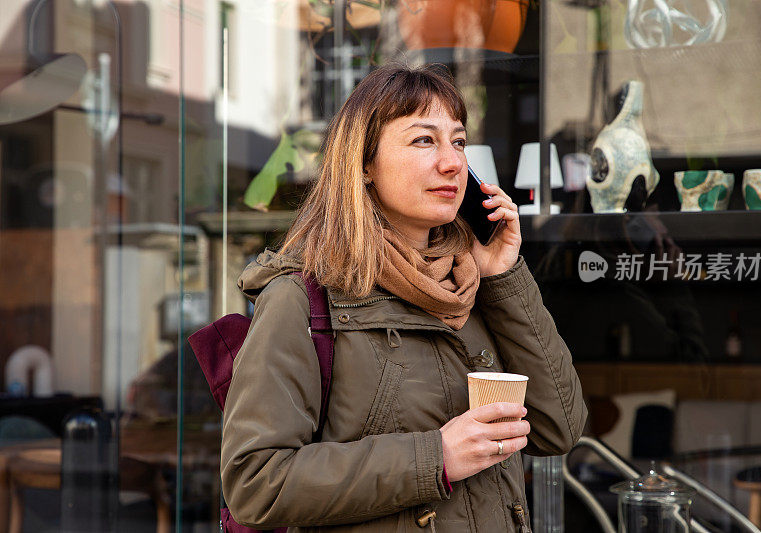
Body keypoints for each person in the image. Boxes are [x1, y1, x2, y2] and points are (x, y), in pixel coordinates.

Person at [221, 64, 587, 532]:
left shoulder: (473, 285)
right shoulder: (301, 297)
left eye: (457, 141)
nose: (453, 163)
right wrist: (436, 458)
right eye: (423, 140)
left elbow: (559, 427)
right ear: (365, 164)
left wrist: (505, 276)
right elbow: (255, 484)